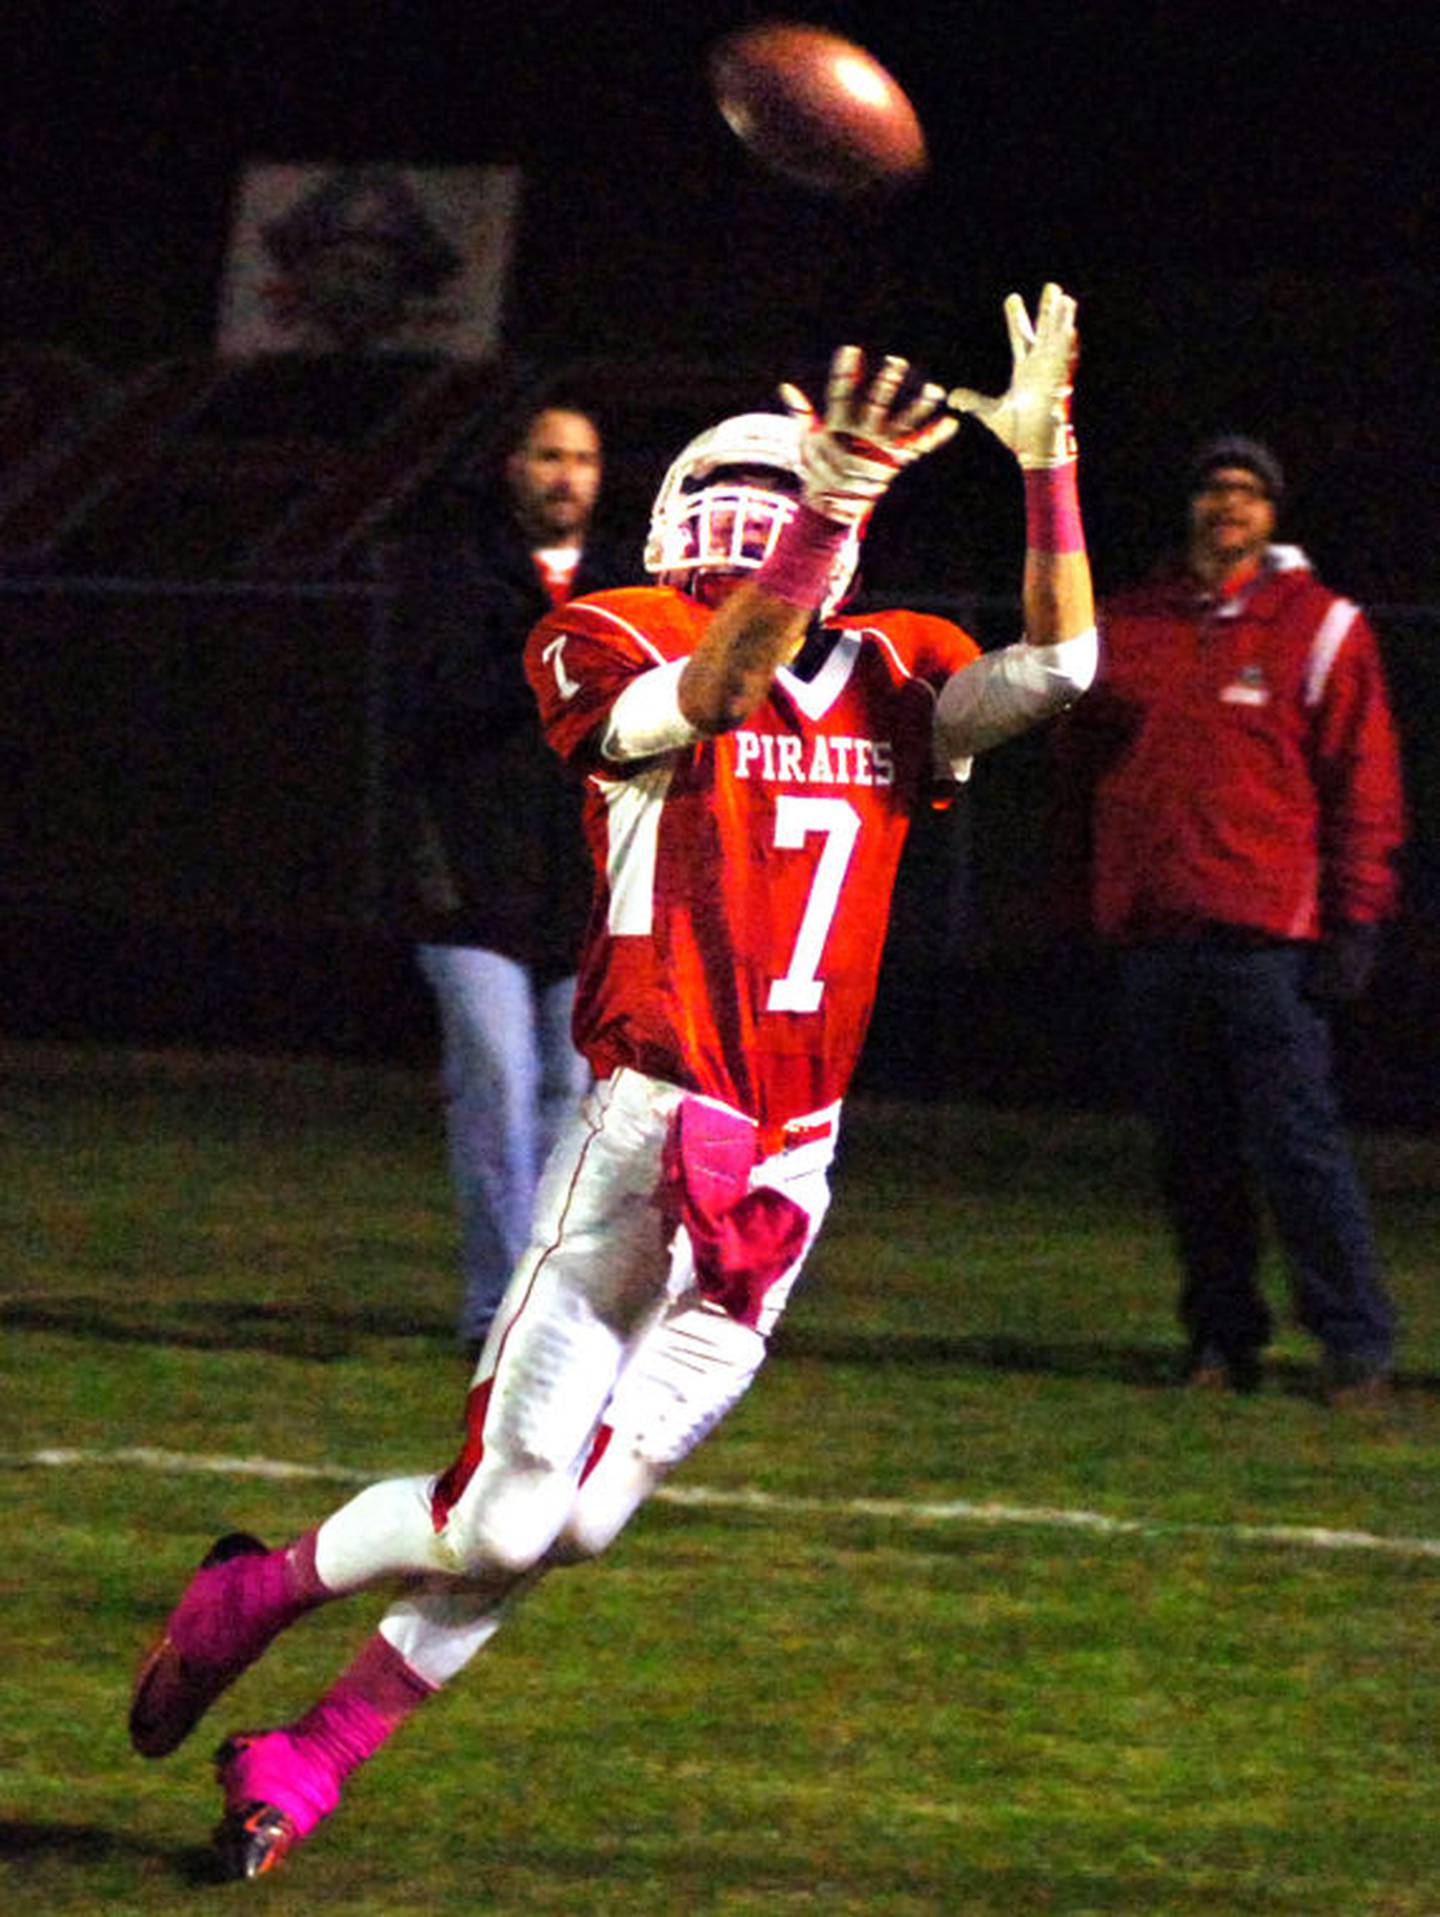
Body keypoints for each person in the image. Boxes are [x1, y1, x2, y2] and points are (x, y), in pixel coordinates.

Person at [129, 285, 1098, 1880]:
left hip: (791, 1166)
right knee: (503, 1516)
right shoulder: (606, 632)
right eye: (784, 502)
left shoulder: (897, 671)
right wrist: (832, 510)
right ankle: (262, 1601)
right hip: (649, 1133)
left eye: (813, 501)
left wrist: (1048, 455)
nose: (799, 522)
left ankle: (304, 1746)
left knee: (575, 1521)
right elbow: (713, 694)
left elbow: (1060, 666)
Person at [1053, 434, 1406, 1401]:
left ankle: (1355, 1344)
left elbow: (1363, 784)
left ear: (1273, 514)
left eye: (1248, 493)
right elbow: (1080, 774)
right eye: (1214, 489)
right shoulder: (1126, 623)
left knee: (1300, 1149)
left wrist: (1356, 918)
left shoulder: (1324, 626)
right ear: (1191, 507)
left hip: (1269, 941)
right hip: (1159, 933)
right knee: (1192, 1154)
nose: (1229, 507)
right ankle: (1221, 1339)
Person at [392, 400, 629, 1353]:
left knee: (575, 1099)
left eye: (582, 456)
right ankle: (500, 1304)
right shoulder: (452, 572)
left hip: (585, 883)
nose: (565, 474)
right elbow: (432, 704)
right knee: (495, 1082)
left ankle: (550, 1302)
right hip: (473, 880)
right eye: (547, 455)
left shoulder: (628, 582)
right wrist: (558, 658)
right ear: (512, 467)